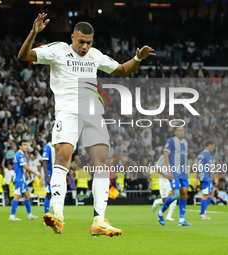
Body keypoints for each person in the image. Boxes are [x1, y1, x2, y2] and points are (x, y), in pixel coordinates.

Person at [18, 13, 154, 236]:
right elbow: (23, 55)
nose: (84, 46)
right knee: (62, 158)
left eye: (88, 43)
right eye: (81, 41)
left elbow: (121, 70)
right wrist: (34, 33)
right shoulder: (58, 50)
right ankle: (58, 215)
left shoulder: (95, 55)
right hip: (68, 112)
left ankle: (99, 220)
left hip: (93, 114)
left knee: (102, 163)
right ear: (72, 37)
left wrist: (137, 59)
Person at [157, 127, 192, 226]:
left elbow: (185, 156)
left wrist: (187, 169)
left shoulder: (185, 142)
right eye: (179, 130)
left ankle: (181, 220)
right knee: (175, 195)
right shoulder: (171, 141)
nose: (181, 132)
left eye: (183, 130)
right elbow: (165, 155)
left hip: (183, 172)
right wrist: (170, 171)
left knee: (184, 193)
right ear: (175, 132)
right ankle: (160, 213)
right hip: (175, 172)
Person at [9, 140, 40, 221]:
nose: (26, 146)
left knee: (27, 195)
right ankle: (12, 216)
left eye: (26, 144)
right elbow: (25, 167)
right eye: (24, 145)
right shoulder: (20, 154)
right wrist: (35, 173)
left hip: (22, 179)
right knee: (17, 196)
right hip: (19, 179)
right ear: (20, 146)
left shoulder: (21, 154)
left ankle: (29, 215)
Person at [195, 140, 217, 220]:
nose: (213, 148)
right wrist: (214, 178)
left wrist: (196, 178)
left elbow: (197, 167)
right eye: (213, 146)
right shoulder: (208, 155)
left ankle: (203, 211)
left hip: (202, 176)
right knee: (205, 195)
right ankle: (202, 214)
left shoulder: (201, 154)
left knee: (212, 192)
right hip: (206, 177)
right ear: (210, 145)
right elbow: (210, 167)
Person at [151, 154, 177, 221]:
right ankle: (157, 202)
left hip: (172, 180)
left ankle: (169, 216)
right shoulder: (163, 157)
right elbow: (156, 167)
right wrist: (164, 175)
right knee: (165, 200)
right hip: (164, 180)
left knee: (174, 196)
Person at [42, 141, 55, 214]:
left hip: (57, 175)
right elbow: (44, 162)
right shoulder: (48, 147)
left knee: (57, 195)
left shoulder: (57, 146)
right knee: (49, 194)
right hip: (50, 175)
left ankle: (55, 217)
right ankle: (46, 215)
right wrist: (47, 176)